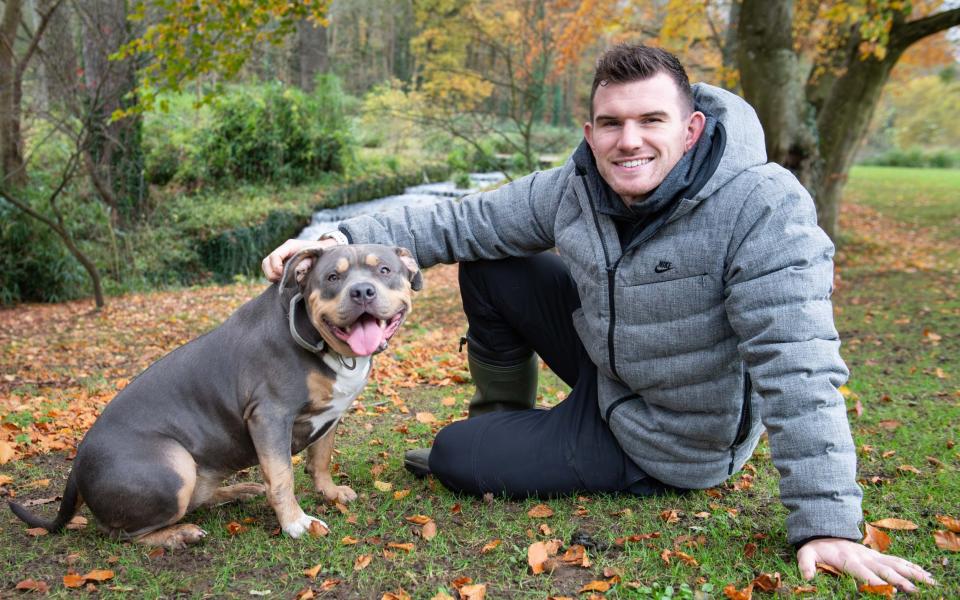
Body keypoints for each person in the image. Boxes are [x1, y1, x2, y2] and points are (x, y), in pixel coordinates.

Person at [263, 44, 935, 592]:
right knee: (493, 262)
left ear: (692, 126)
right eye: (611, 124)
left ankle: (493, 444)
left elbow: (799, 364)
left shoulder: (761, 206)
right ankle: (504, 420)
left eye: (650, 121)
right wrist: (335, 235)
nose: (628, 141)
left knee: (451, 457)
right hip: (612, 363)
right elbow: (457, 221)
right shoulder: (577, 185)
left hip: (670, 436)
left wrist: (827, 523)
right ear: (590, 131)